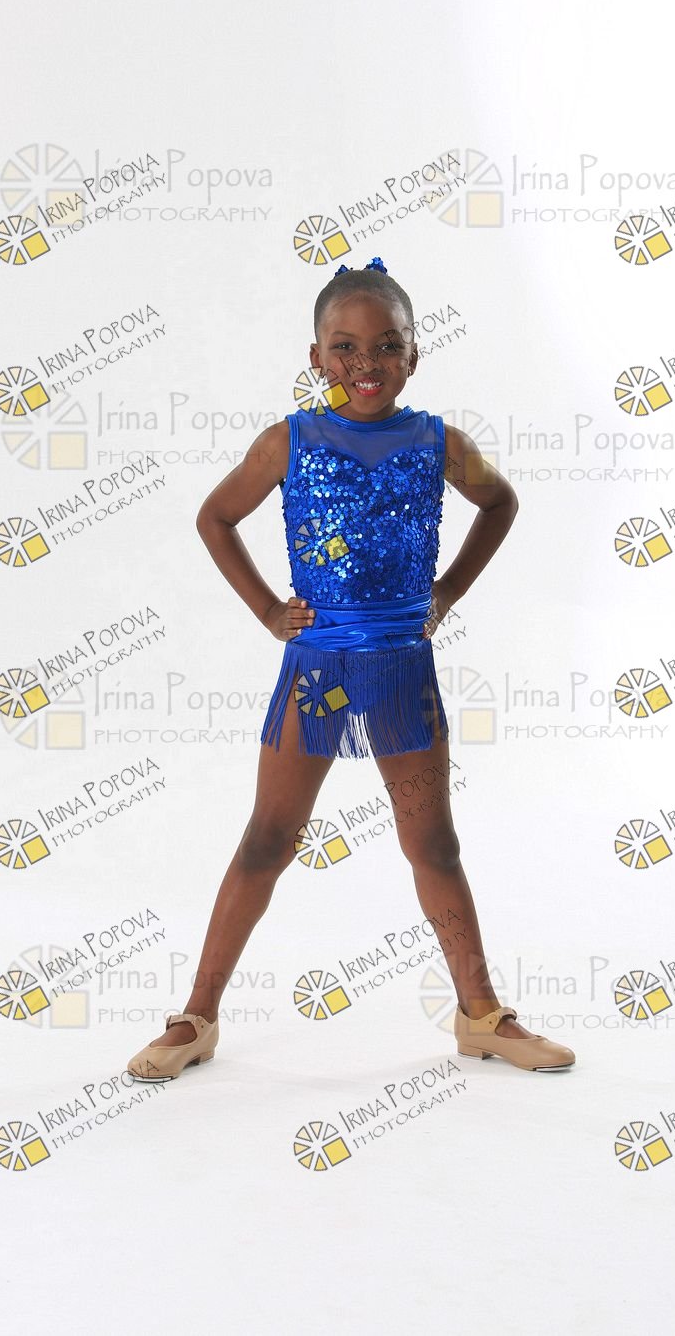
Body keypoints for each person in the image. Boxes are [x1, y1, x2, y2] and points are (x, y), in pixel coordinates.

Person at [127, 256, 575, 1081]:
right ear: (316, 357)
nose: (366, 364)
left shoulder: (437, 441)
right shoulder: (289, 440)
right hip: (318, 670)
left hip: (404, 668)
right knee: (268, 838)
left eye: (387, 346)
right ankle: (197, 1016)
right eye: (345, 347)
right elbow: (215, 517)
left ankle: (481, 1016)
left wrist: (447, 591)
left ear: (414, 354)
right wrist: (269, 610)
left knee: (433, 843)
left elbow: (500, 503)